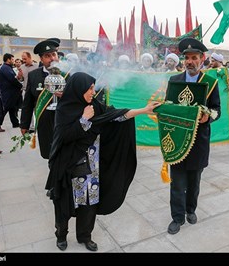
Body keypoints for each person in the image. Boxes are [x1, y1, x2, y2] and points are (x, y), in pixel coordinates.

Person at [45, 72, 160, 251]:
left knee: (89, 203)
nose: (93, 91)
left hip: (91, 169)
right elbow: (63, 137)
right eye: (89, 88)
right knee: (63, 204)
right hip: (68, 167)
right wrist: (83, 119)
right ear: (78, 88)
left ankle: (85, 236)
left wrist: (143, 110)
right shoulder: (64, 109)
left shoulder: (95, 106)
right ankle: (61, 235)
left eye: (93, 87)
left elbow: (116, 116)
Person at [166, 38, 221, 235]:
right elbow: (168, 106)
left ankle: (191, 210)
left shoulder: (211, 83)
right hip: (178, 139)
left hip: (199, 141)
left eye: (194, 58)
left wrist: (208, 117)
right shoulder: (174, 81)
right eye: (187, 58)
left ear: (202, 59)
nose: (190, 61)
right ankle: (177, 217)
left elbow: (217, 110)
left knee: (194, 182)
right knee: (177, 183)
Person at [20, 39, 60, 159]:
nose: (52, 58)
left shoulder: (68, 74)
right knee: (49, 154)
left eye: (54, 54)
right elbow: (27, 102)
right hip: (45, 123)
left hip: (64, 122)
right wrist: (24, 124)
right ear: (41, 59)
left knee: (64, 154)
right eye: (47, 56)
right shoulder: (34, 76)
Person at [0, 53, 23, 131]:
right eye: (12, 59)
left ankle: (15, 123)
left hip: (11, 93)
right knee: (5, 108)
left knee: (13, 108)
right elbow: (12, 79)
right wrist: (20, 86)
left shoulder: (8, 67)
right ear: (8, 59)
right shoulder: (5, 68)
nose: (13, 61)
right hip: (8, 93)